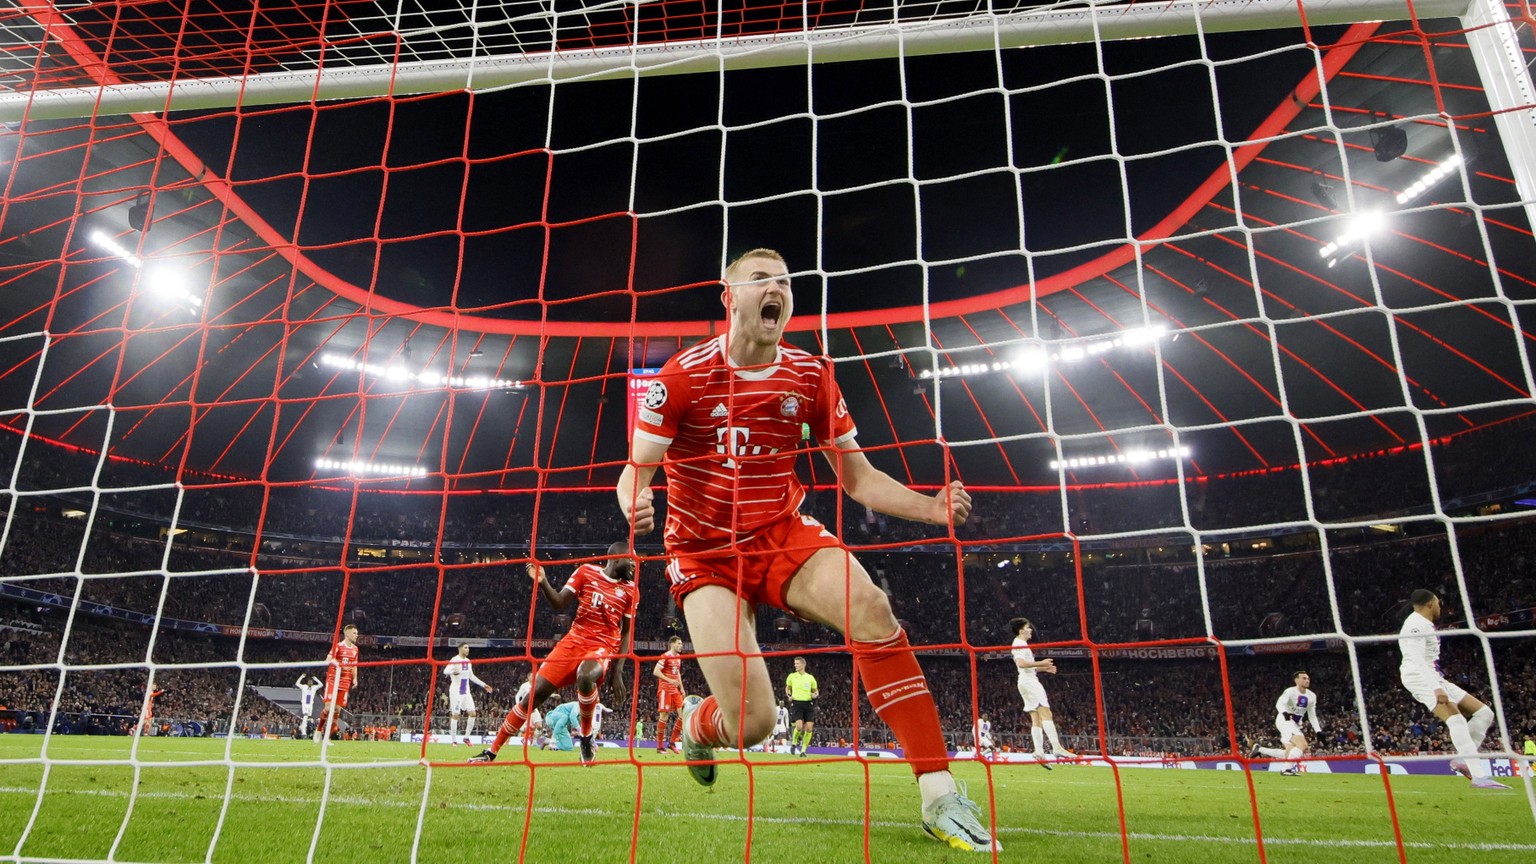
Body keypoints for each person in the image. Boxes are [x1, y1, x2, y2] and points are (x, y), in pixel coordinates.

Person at [617, 248, 999, 852]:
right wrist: (635, 500)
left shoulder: (811, 376)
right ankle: (698, 721)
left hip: (779, 534)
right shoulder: (681, 377)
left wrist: (929, 506)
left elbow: (857, 478)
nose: (777, 288)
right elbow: (634, 470)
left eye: (785, 282)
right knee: (754, 724)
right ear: (730, 297)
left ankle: (940, 794)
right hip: (703, 553)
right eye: (760, 279)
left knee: (873, 610)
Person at [471, 544, 636, 767]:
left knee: (586, 676)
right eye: (632, 560)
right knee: (532, 697)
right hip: (571, 643)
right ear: (616, 559)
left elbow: (626, 632)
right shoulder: (585, 572)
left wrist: (618, 671)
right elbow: (559, 602)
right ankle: (491, 751)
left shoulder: (630, 590)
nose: (636, 565)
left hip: (601, 646)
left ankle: (586, 738)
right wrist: (543, 582)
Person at [1397, 589, 1508, 789]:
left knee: (1484, 714)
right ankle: (1479, 776)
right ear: (1430, 604)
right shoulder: (1415, 624)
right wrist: (1436, 688)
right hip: (1419, 677)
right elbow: (1417, 659)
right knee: (1456, 720)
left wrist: (1438, 683)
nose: (1440, 606)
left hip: (1434, 677)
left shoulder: (1422, 623)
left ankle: (1464, 761)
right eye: (1438, 602)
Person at [1010, 617, 1072, 764]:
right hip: (1029, 682)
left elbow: (1026, 666)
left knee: (1036, 718)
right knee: (1046, 712)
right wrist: (1042, 662)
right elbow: (1021, 663)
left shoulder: (1022, 644)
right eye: (1028, 627)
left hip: (1026, 680)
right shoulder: (1019, 644)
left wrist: (1044, 669)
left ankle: (1039, 751)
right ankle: (1056, 747)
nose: (1030, 629)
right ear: (1021, 630)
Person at [1250, 671, 1320, 775]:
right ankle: (1286, 770)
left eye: (1308, 679)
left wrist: (1318, 731)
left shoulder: (1312, 696)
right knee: (1303, 744)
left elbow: (1312, 715)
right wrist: (1284, 713)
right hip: (1285, 720)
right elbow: (1280, 703)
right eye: (1304, 678)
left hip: (1295, 724)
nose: (1307, 680)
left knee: (1290, 751)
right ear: (1296, 680)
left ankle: (1260, 749)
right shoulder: (1290, 691)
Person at [314, 624, 360, 743]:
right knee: (328, 708)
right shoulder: (338, 646)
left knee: (337, 711)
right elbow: (327, 661)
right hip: (333, 680)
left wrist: (355, 678)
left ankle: (327, 738)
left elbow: (354, 665)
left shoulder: (355, 649)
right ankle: (318, 730)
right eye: (354, 633)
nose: (357, 635)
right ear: (347, 633)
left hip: (345, 682)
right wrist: (338, 664)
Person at [443, 643, 494, 744]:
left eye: (468, 648)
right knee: (456, 715)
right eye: (465, 648)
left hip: (466, 691)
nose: (468, 650)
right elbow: (445, 671)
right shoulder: (455, 660)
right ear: (460, 649)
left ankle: (466, 738)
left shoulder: (468, 661)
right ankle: (454, 741)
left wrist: (484, 685)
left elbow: (472, 676)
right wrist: (453, 672)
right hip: (456, 691)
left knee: (473, 713)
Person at [654, 635, 686, 754]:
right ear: (672, 644)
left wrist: (681, 688)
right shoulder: (665, 656)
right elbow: (656, 671)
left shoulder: (678, 658)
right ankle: (659, 747)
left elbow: (677, 673)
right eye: (678, 643)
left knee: (683, 715)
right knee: (664, 717)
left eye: (681, 644)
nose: (681, 645)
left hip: (675, 690)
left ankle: (672, 742)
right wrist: (669, 680)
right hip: (665, 690)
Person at [785, 656, 818, 756]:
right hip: (797, 703)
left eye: (797, 663)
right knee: (799, 726)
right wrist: (789, 695)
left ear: (803, 665)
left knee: (809, 728)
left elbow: (815, 691)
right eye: (795, 664)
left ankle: (803, 751)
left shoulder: (810, 678)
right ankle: (794, 743)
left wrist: (815, 694)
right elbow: (788, 688)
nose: (795, 665)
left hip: (808, 704)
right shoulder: (792, 676)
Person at [295, 674, 322, 738]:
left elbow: (321, 685)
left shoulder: (314, 687)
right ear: (307, 682)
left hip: (310, 704)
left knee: (307, 718)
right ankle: (303, 732)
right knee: (305, 716)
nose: (310, 682)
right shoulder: (304, 687)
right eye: (309, 681)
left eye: (311, 682)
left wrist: (315, 678)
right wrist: (301, 676)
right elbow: (297, 683)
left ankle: (302, 727)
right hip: (305, 704)